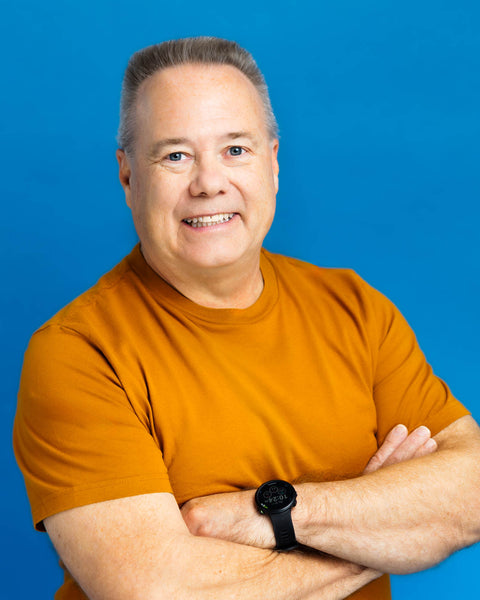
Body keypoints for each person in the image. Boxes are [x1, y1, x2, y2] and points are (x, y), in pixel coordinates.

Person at [13, 36, 480, 600]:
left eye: (235, 149)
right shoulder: (78, 353)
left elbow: (471, 490)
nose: (209, 183)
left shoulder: (355, 308)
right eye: (175, 155)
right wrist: (389, 527)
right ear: (128, 176)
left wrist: (276, 515)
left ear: (273, 163)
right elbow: (159, 592)